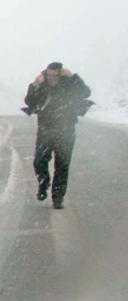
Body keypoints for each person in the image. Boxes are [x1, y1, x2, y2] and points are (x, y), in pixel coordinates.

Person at [24, 62, 91, 209]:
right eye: (50, 75)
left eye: (55, 75)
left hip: (66, 130)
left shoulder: (69, 84)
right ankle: (43, 183)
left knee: (62, 166)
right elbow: (29, 100)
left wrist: (73, 76)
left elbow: (86, 92)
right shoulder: (41, 86)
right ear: (46, 74)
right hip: (45, 130)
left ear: (61, 74)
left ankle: (58, 198)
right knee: (39, 161)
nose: (52, 78)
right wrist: (35, 84)